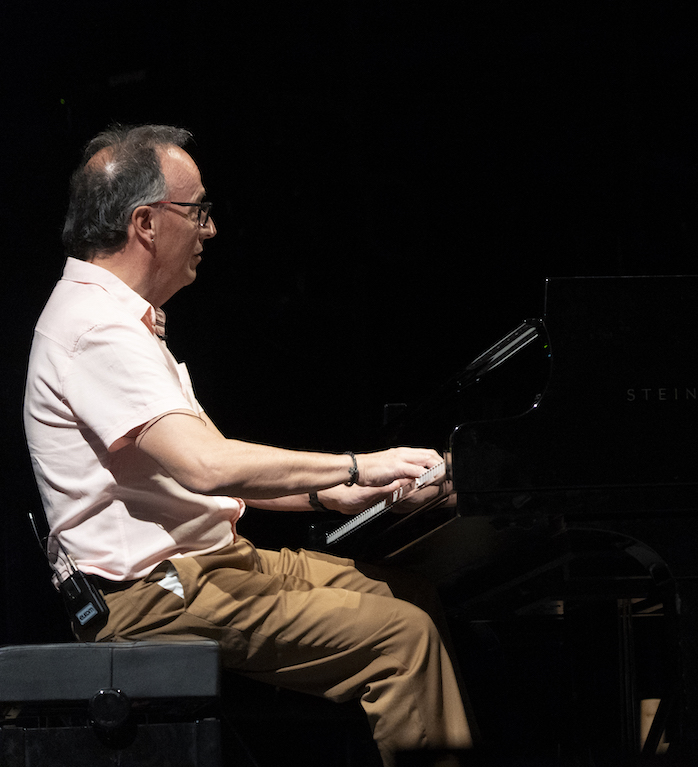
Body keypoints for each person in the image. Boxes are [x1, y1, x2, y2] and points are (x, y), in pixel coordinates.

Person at [23, 124, 472, 766]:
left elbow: (211, 468)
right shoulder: (95, 329)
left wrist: (337, 494)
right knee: (402, 638)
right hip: (150, 596)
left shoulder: (118, 319)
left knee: (411, 597)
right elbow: (208, 467)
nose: (209, 229)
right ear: (145, 223)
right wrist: (357, 466)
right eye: (197, 210)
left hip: (210, 563)